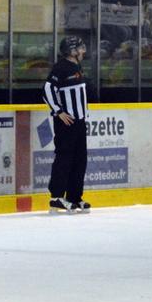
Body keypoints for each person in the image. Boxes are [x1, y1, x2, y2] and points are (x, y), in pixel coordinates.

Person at [43, 36, 90, 213]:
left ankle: (74, 197)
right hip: (67, 123)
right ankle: (56, 197)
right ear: (72, 51)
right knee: (64, 158)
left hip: (79, 122)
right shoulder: (61, 67)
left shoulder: (77, 66)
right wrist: (58, 111)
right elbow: (47, 90)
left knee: (80, 159)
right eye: (81, 48)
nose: (84, 50)